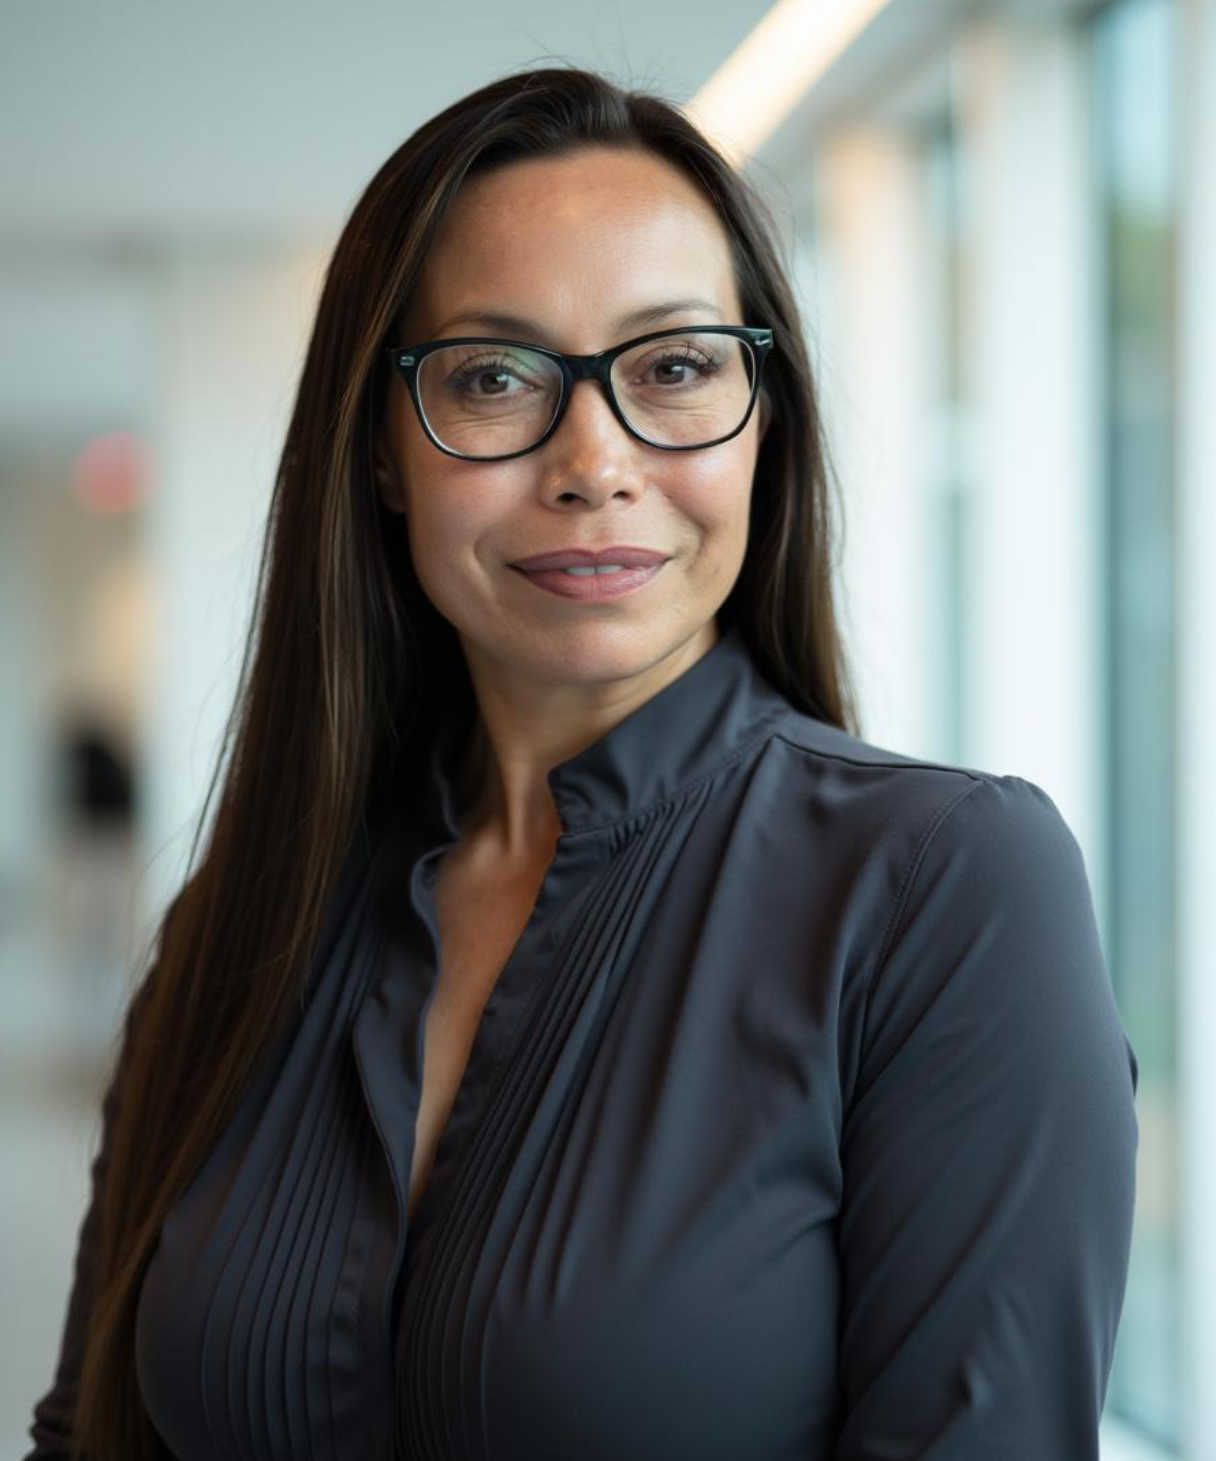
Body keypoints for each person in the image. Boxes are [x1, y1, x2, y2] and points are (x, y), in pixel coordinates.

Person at [26, 64, 1138, 1461]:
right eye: (495, 377)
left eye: (675, 367)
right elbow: (90, 1432)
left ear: (763, 418)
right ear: (382, 450)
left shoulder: (945, 890)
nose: (594, 460)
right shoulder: (241, 924)